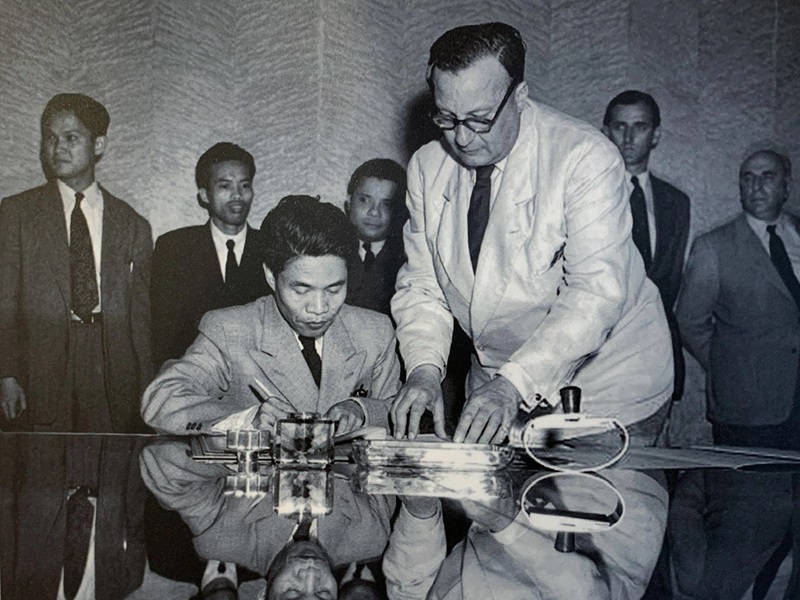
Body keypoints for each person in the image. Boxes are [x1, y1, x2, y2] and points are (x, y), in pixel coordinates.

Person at [390, 22, 673, 445]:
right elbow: (423, 285)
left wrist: (514, 385)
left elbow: (595, 293)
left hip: (608, 380)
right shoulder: (427, 167)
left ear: (520, 97)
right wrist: (424, 370)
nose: (462, 138)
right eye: (447, 117)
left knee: (596, 487)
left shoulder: (584, 157)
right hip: (496, 381)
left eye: (480, 119)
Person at [141, 193, 402, 437]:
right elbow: (161, 400)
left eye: (334, 289)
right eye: (302, 290)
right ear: (270, 276)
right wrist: (247, 419)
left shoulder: (375, 332)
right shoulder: (230, 330)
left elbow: (398, 407)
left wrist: (362, 409)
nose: (319, 308)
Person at [672, 147, 800, 599]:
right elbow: (690, 322)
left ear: (787, 185)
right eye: (747, 177)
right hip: (748, 413)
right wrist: (734, 368)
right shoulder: (714, 247)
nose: (756, 185)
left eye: (768, 176)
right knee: (742, 530)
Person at [0, 93, 152, 432]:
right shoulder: (18, 213)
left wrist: (146, 387)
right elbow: (4, 302)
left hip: (109, 363)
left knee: (107, 457)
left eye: (71, 138)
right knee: (43, 460)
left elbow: (140, 321)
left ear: (98, 145)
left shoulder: (132, 224)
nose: (58, 148)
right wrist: (6, 375)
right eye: (51, 138)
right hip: (41, 364)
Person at [602, 90, 690, 405]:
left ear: (656, 135)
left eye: (639, 127)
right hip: (600, 357)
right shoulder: (584, 196)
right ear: (605, 132)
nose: (628, 138)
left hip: (657, 355)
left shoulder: (676, 203)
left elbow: (670, 284)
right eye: (619, 126)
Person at [150, 142, 270, 370]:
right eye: (225, 186)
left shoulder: (271, 247)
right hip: (193, 373)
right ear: (204, 195)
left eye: (245, 185)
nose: (238, 195)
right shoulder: (174, 248)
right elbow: (162, 330)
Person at [344, 158, 408, 316]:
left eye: (387, 204)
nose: (374, 212)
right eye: (364, 200)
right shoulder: (330, 247)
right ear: (349, 202)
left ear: (400, 210)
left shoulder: (408, 256)